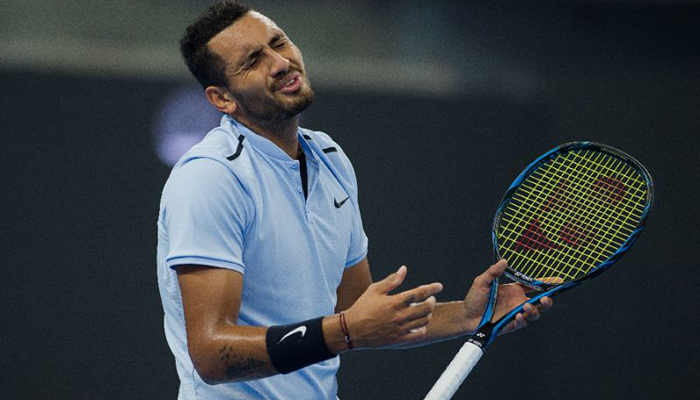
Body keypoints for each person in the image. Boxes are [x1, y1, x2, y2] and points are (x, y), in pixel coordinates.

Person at [156, 2, 554, 399]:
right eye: (253, 61)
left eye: (279, 43)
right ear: (222, 99)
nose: (280, 62)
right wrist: (345, 330)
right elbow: (212, 356)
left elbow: (360, 312)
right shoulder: (211, 176)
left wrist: (468, 315)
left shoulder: (330, 159)